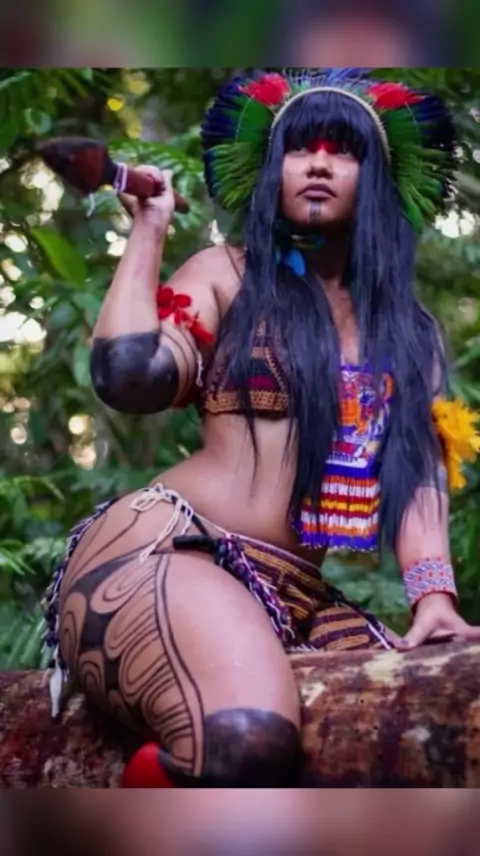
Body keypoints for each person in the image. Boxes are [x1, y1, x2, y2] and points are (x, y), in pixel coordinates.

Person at [42, 68, 480, 788]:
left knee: (401, 741)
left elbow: (417, 478)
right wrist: (149, 231)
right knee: (246, 739)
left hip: (295, 596)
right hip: (170, 551)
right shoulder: (227, 275)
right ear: (273, 173)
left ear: (375, 180)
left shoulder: (412, 333)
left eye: (342, 151)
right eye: (300, 149)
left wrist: (434, 600)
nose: (317, 164)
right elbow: (129, 376)